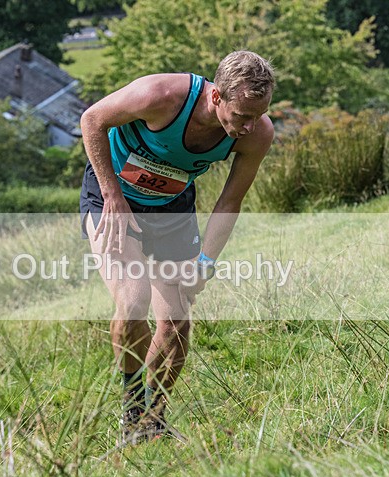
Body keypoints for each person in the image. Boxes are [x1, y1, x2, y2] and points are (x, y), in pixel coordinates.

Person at [79, 50, 275, 444]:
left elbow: (229, 203)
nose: (250, 126)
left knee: (175, 320)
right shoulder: (162, 95)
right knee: (133, 302)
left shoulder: (258, 133)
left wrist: (205, 262)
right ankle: (132, 415)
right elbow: (92, 120)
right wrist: (112, 196)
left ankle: (153, 421)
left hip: (171, 210)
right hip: (114, 200)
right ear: (217, 97)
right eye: (241, 116)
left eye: (259, 115)